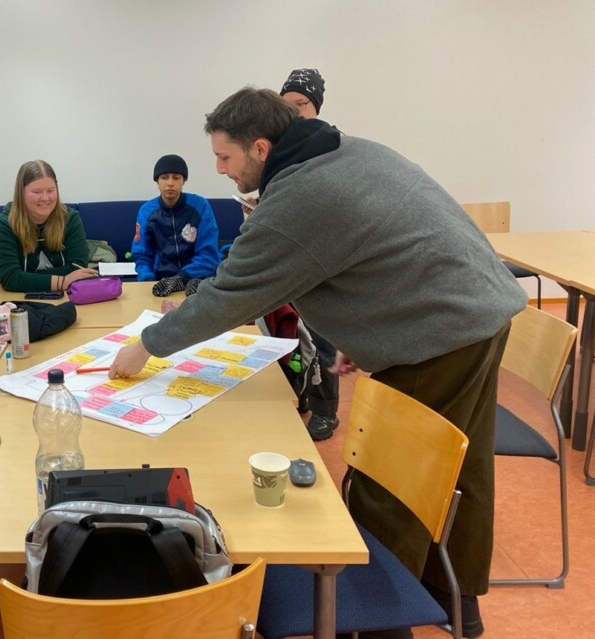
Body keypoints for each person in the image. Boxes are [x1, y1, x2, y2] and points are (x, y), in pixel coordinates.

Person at [109, 87, 526, 638]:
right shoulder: (345, 148)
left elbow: (232, 294)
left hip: (440, 331)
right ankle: (457, 603)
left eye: (225, 157)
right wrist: (369, 324)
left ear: (261, 147)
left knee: (389, 489)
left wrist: (147, 344)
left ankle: (379, 624)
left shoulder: (300, 195)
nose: (219, 170)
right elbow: (376, 246)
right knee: (461, 470)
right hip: (479, 308)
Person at [276, 67, 341, 441]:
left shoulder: (330, 144)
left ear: (315, 106)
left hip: (326, 258)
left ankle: (326, 411)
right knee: (294, 332)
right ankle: (302, 391)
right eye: (286, 106)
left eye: (301, 104)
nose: (295, 113)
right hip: (295, 257)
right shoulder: (285, 148)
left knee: (323, 337)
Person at [0, 159, 97, 292]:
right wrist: (63, 281)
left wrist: (22, 278)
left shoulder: (70, 218)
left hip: (66, 299)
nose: (45, 198)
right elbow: (10, 279)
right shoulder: (2, 225)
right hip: (18, 303)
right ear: (21, 193)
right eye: (36, 192)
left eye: (50, 190)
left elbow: (78, 268)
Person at [132, 154, 220, 297]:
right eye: (164, 177)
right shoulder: (146, 211)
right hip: (162, 281)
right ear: (157, 181)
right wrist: (146, 279)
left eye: (176, 177)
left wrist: (182, 276)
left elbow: (208, 253)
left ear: (183, 181)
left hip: (197, 277)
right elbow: (142, 253)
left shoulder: (200, 205)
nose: (170, 183)